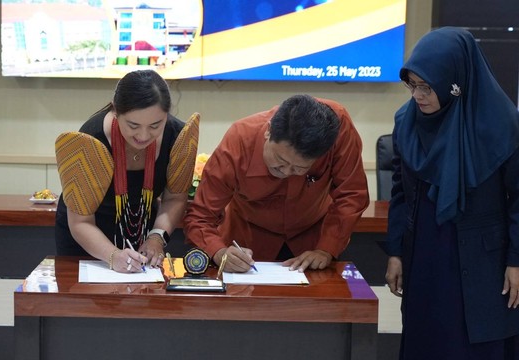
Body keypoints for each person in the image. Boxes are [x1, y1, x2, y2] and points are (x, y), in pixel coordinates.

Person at [384, 27, 519, 359]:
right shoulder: (407, 122)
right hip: (425, 253)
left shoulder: (501, 125)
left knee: (475, 343)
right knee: (425, 341)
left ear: (455, 84)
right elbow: (401, 191)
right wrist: (396, 251)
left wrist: (517, 260)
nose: (417, 95)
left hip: (485, 262)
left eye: (426, 86)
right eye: (411, 85)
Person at [184, 94, 369, 272]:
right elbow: (200, 215)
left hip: (311, 243)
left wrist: (326, 249)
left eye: (299, 168)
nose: (286, 172)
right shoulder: (239, 139)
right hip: (246, 242)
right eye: (280, 160)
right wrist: (219, 252)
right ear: (268, 131)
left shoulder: (337, 128)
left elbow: (352, 194)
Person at [54, 70, 199, 273]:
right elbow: (80, 222)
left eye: (155, 125)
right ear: (116, 111)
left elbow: (175, 198)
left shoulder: (177, 137)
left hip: (142, 230)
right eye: (133, 125)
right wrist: (113, 255)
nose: (143, 135)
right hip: (88, 236)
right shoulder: (92, 138)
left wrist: (156, 236)